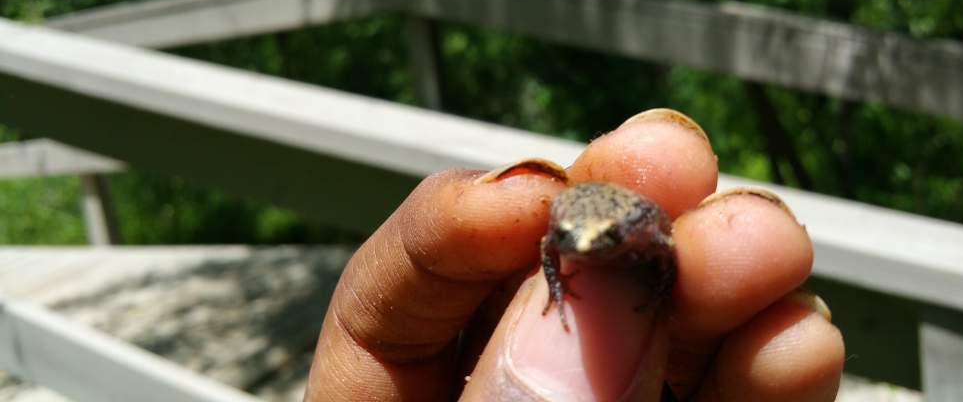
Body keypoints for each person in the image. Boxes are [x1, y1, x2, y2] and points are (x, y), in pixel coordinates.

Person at [304, 109, 845, 401]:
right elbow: (550, 242)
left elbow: (662, 246)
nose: (576, 251)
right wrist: (558, 288)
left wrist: (651, 284)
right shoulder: (565, 233)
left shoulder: (643, 233)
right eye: (569, 244)